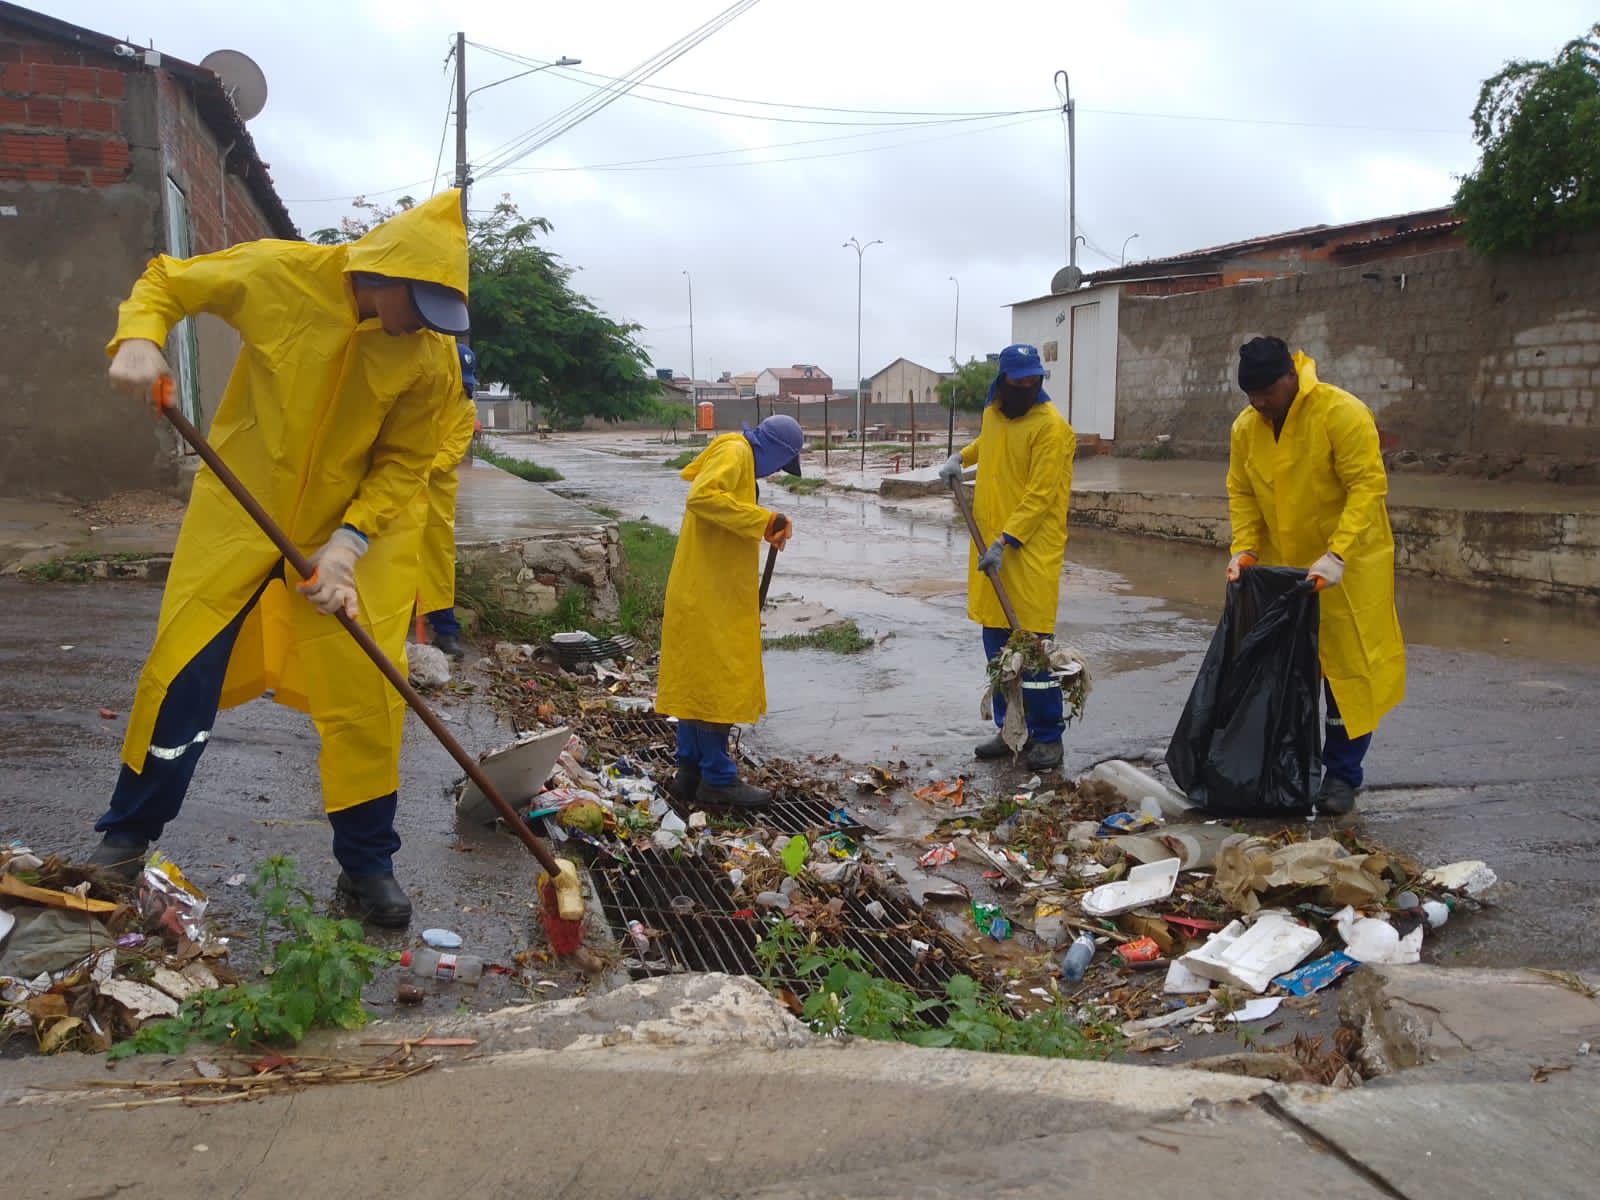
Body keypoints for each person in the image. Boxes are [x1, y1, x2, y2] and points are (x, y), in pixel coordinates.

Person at [87, 190, 470, 928]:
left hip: (354, 532)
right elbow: (169, 279)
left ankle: (368, 865)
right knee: (183, 672)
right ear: (383, 274)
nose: (422, 325)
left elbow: (406, 460)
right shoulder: (279, 274)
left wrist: (349, 544)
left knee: (367, 695)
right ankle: (127, 835)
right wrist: (139, 335)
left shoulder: (428, 356)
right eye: (417, 307)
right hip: (240, 511)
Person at [1225, 336, 1406, 814]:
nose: (1258, 403)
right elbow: (1242, 491)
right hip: (1287, 573)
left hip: (1347, 568)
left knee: (1347, 676)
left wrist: (1338, 553)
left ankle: (1342, 775)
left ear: (1291, 376)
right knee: (1290, 673)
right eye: (1250, 395)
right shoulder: (1247, 428)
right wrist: (1245, 547)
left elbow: (1367, 487)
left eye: (1266, 392)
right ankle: (1289, 768)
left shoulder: (1340, 414)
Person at [938, 343, 1076, 772]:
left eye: (1034, 380)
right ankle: (1010, 728)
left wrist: (1005, 541)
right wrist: (961, 457)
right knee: (997, 650)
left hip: (1028, 553)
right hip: (991, 548)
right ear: (1003, 381)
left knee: (1031, 652)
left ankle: (1047, 736)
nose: (1027, 387)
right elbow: (991, 441)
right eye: (1020, 381)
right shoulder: (995, 412)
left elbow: (1040, 495)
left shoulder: (1051, 428)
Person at [655, 415, 803, 808]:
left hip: (706, 588)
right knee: (719, 685)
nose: (775, 471)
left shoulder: (736, 455)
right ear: (776, 451)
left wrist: (764, 525)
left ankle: (690, 772)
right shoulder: (736, 452)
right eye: (781, 464)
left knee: (698, 683)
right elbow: (702, 498)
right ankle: (718, 780)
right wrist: (764, 519)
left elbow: (720, 511)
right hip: (710, 594)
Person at [417, 343, 480, 660]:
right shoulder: (419, 395)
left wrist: (412, 470)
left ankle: (445, 631)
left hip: (434, 493)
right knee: (388, 555)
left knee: (437, 560)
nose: (460, 387)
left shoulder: (466, 409)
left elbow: (452, 453)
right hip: (395, 488)